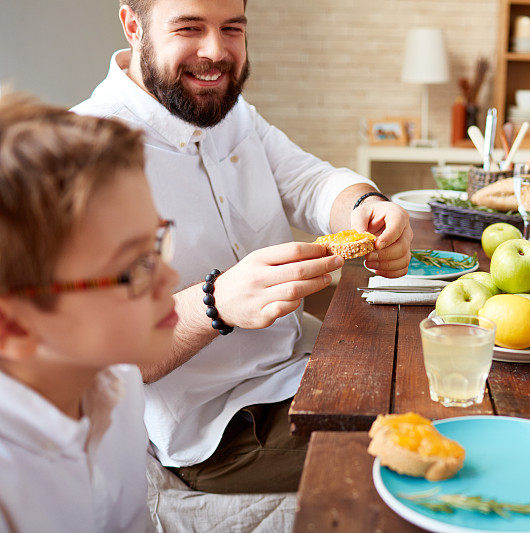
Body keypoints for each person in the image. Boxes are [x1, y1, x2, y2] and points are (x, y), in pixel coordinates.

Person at [73, 0, 413, 494]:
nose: (215, 52)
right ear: (133, 26)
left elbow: (311, 182)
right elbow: (104, 354)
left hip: (303, 364)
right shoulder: (79, 154)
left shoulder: (232, 115)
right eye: (190, 28)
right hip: (225, 428)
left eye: (232, 28)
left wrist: (365, 205)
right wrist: (218, 302)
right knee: (422, 446)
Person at [0, 96, 179, 531]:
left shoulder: (117, 380)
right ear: (13, 325)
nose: (170, 278)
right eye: (133, 267)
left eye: (156, 244)